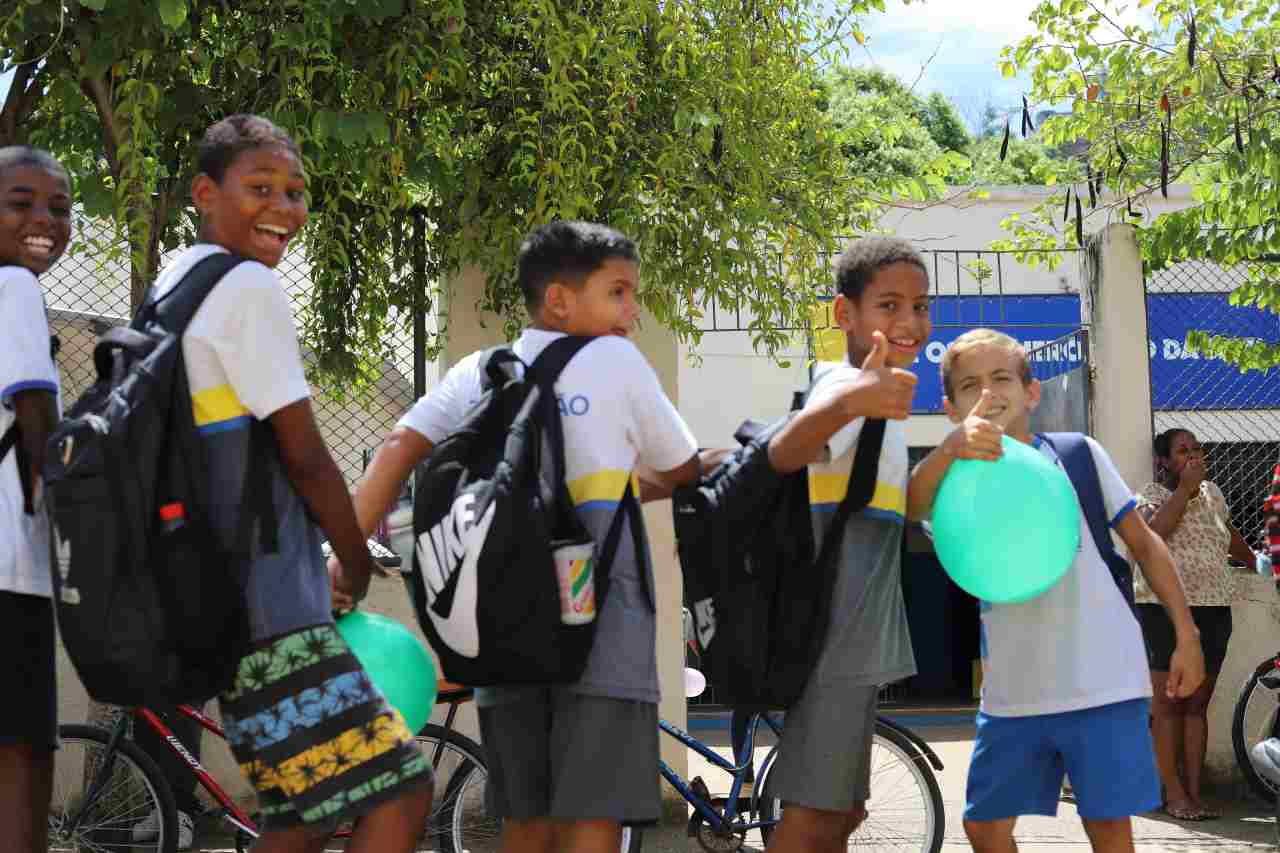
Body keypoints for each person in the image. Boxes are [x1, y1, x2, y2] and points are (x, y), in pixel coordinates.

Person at [339, 220, 702, 853]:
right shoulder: (614, 359)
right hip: (602, 627)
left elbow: (398, 447)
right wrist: (614, 482)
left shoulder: (479, 372)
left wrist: (345, 565)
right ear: (560, 298)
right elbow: (682, 466)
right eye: (618, 292)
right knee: (594, 811)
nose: (633, 311)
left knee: (525, 814)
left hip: (503, 622)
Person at [148, 114, 432, 853]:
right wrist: (356, 557)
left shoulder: (174, 282)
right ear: (205, 193)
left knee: (301, 808)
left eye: (296, 191)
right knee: (399, 789)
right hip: (267, 609)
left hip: (209, 592)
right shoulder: (247, 287)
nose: (284, 207)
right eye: (261, 187)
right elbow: (305, 456)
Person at [906, 328, 1206, 853]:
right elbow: (910, 505)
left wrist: (1187, 633)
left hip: (1103, 684)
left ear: (1032, 392)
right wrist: (950, 451)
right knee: (984, 827)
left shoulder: (1078, 457)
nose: (988, 393)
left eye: (1002, 378)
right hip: (1013, 693)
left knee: (1109, 828)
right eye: (970, 385)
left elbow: (1147, 545)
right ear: (951, 408)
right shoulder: (956, 483)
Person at [761, 236, 927, 853]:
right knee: (811, 818)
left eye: (919, 305)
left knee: (843, 813)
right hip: (828, 645)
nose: (909, 322)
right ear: (844, 314)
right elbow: (786, 451)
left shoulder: (883, 408)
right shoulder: (842, 384)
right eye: (888, 305)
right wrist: (854, 398)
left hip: (853, 651)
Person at [0, 145, 72, 853]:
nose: (44, 220)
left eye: (59, 206)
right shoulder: (15, 288)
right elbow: (39, 428)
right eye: (21, 203)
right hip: (7, 572)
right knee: (24, 752)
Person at [1135, 427, 1256, 821]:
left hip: (1215, 607)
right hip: (1164, 611)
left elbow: (1227, 536)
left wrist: (1260, 561)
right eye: (1182, 450)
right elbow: (1153, 535)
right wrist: (1184, 491)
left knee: (1196, 706)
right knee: (1168, 704)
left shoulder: (1214, 494)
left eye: (1197, 448)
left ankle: (1193, 791)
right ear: (1164, 462)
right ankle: (1173, 794)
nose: (1193, 456)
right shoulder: (1150, 497)